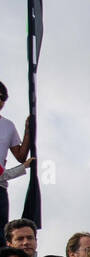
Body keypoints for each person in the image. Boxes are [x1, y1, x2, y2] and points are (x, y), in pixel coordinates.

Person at [0, 82, 32, 226]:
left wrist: (28, 130)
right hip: (3, 176)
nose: (0, 101)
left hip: (1, 186)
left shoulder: (8, 125)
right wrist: (22, 168)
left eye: (2, 98)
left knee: (1, 234)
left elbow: (20, 155)